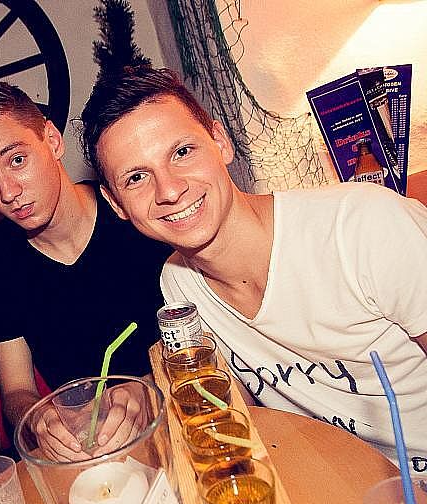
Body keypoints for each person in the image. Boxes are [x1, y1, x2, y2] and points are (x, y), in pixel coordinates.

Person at [80, 66, 427, 473]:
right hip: (331, 479)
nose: (170, 190)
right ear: (117, 204)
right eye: (137, 177)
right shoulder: (178, 284)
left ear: (220, 142)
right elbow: (236, 418)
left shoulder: (364, 227)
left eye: (182, 152)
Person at [0, 81, 173, 461]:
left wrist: (146, 388)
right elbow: (16, 391)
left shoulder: (132, 208)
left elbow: (203, 338)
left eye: (17, 160)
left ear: (52, 141)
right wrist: (39, 419)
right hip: (89, 453)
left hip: (178, 422)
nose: (7, 192)